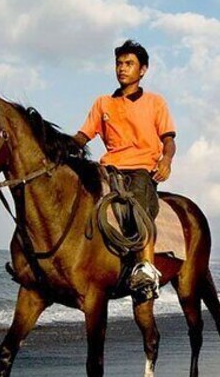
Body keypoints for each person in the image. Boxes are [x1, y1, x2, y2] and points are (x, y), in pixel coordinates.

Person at [74, 40, 176, 302]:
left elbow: (168, 139)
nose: (122, 68)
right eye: (119, 63)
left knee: (137, 202)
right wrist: (60, 145)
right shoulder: (103, 103)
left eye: (129, 64)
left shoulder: (155, 102)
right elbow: (83, 136)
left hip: (141, 168)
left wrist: (166, 160)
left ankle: (145, 267)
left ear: (143, 70)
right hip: (109, 167)